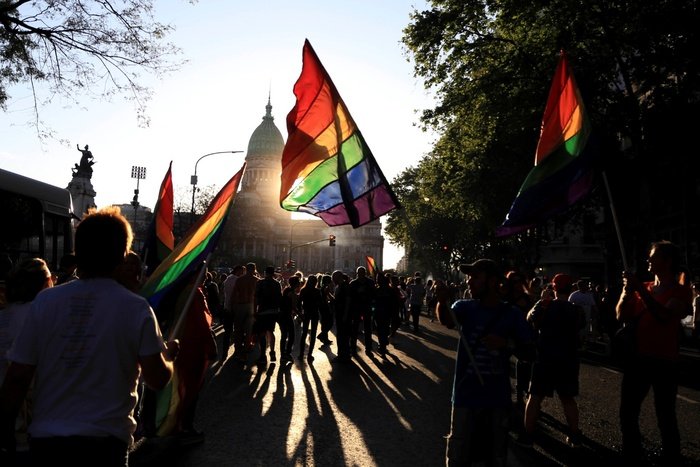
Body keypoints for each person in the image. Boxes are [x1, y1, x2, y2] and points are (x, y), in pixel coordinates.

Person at [0, 206, 178, 467]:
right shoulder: (136, 308)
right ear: (123, 255)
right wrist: (169, 356)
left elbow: (17, 377)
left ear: (78, 252)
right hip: (105, 445)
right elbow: (157, 379)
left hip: (47, 443)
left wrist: (5, 431)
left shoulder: (45, 301)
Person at [446, 259, 534, 467]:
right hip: (464, 397)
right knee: (458, 456)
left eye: (475, 277)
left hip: (497, 399)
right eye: (469, 277)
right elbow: (448, 320)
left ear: (492, 281)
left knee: (495, 457)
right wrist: (442, 299)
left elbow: (530, 352)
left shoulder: (511, 314)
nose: (469, 282)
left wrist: (506, 343)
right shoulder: (464, 307)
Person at [615, 240, 692, 466]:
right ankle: (632, 453)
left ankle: (671, 457)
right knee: (627, 413)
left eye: (653, 257)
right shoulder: (645, 286)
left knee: (665, 416)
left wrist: (639, 288)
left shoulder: (680, 291)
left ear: (667, 262)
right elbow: (621, 316)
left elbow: (664, 316)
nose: (648, 260)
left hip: (664, 361)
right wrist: (626, 293)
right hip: (638, 359)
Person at [517, 273, 584, 449]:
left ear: (553, 288)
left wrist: (543, 301)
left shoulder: (544, 305)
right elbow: (581, 328)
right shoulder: (577, 310)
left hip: (544, 357)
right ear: (571, 289)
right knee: (568, 399)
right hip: (568, 359)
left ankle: (527, 436)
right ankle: (574, 434)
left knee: (535, 398)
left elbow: (529, 319)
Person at [0, 258, 53, 456]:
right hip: (27, 420)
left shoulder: (5, 315)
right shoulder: (41, 315)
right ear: (45, 283)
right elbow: (21, 377)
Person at [230, 262, 259, 361]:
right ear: (254, 269)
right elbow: (258, 297)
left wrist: (231, 307)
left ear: (246, 269)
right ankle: (245, 350)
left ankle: (238, 350)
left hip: (240, 305)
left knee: (238, 329)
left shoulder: (239, 280)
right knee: (249, 331)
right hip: (251, 306)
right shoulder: (257, 281)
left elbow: (234, 294)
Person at [254, 266, 282, 363]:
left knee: (261, 333)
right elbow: (279, 298)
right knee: (270, 331)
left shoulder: (260, 283)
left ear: (265, 272)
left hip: (262, 311)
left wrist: (255, 311)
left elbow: (256, 298)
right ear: (273, 273)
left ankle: (262, 355)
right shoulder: (277, 284)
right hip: (273, 311)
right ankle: (272, 351)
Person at [348, 266, 376, 356]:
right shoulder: (353, 283)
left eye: (362, 273)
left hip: (366, 308)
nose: (361, 275)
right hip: (356, 308)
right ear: (357, 274)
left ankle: (368, 349)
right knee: (354, 329)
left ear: (365, 273)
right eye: (359, 273)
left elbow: (373, 296)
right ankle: (353, 348)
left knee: (367, 329)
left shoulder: (370, 282)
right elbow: (350, 297)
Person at [221, 264, 245, 362]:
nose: (243, 274)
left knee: (227, 332)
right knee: (238, 331)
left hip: (227, 308)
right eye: (242, 272)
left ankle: (224, 352)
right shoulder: (237, 280)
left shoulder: (227, 279)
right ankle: (237, 351)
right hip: (236, 308)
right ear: (238, 271)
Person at [298, 274, 322, 363]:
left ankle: (301, 354)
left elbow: (299, 303)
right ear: (316, 282)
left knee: (304, 333)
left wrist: (300, 313)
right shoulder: (317, 291)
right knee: (313, 334)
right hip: (314, 313)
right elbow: (320, 303)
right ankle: (309, 354)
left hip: (306, 313)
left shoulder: (303, 290)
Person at [331, 271, 352, 363]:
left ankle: (344, 355)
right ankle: (343, 354)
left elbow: (348, 301)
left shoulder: (345, 286)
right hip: (339, 314)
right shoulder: (338, 287)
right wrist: (328, 294)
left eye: (334, 278)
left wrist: (345, 315)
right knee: (340, 335)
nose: (333, 280)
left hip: (343, 314)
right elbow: (336, 300)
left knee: (343, 335)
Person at [279, 276, 301, 362]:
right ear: (296, 283)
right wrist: (301, 315)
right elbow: (294, 307)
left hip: (281, 315)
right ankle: (287, 353)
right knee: (291, 336)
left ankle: (283, 354)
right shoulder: (292, 293)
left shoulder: (286, 290)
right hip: (287, 316)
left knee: (284, 335)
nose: (300, 283)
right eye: (298, 282)